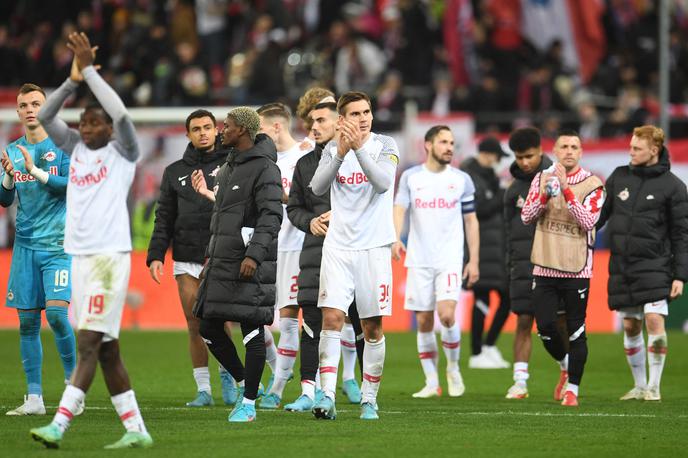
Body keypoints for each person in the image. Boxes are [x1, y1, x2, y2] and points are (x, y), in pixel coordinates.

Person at [30, 32, 152, 448]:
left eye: (93, 122)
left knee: (86, 343)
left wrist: (92, 73)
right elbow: (46, 117)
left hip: (107, 258)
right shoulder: (77, 148)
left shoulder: (123, 152)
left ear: (108, 128)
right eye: (83, 121)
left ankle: (59, 425)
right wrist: (72, 79)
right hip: (79, 257)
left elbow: (122, 116)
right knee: (107, 350)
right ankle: (137, 431)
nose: (86, 127)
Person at [310, 91, 400, 420]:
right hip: (338, 247)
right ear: (343, 119)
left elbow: (382, 183)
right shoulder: (333, 148)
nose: (363, 118)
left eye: (367, 112)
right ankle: (326, 396)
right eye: (355, 113)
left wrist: (358, 149)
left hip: (374, 248)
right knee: (332, 319)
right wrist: (340, 153)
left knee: (371, 326)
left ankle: (369, 398)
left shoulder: (385, 145)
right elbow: (317, 188)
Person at [191, 107, 282, 422]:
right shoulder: (228, 166)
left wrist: (254, 255)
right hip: (221, 260)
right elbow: (224, 219)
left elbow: (272, 216)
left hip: (248, 263)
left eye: (225, 126)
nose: (220, 131)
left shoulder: (266, 168)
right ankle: (246, 381)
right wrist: (211, 257)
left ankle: (248, 405)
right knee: (207, 326)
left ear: (242, 130)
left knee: (251, 329)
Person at [146, 109, 238, 407]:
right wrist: (156, 255)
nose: (202, 133)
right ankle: (203, 390)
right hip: (185, 256)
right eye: (196, 128)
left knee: (221, 321)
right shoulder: (174, 172)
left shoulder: (232, 162)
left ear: (217, 130)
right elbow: (164, 217)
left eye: (207, 127)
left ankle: (229, 378)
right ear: (187, 135)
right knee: (194, 322)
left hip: (221, 254)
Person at [597, 125, 688, 402]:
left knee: (653, 321)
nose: (631, 152)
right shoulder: (619, 177)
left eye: (637, 148)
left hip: (657, 265)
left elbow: (682, 233)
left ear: (654, 150)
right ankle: (638, 385)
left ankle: (654, 387)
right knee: (630, 327)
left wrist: (680, 276)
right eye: (631, 147)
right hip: (623, 266)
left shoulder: (674, 186)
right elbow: (600, 215)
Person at [1, 83, 76, 416]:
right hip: (25, 249)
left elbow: (71, 189)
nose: (30, 109)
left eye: (36, 103)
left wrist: (34, 171)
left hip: (58, 245)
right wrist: (8, 178)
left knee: (58, 316)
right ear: (17, 112)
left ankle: (73, 389)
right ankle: (34, 399)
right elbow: (4, 200)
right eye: (24, 105)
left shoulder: (63, 148)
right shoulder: (12, 150)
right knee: (28, 323)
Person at [284, 98, 364, 411]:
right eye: (311, 122)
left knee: (361, 322)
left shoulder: (360, 159)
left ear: (339, 122)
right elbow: (294, 208)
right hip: (315, 252)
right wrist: (310, 221)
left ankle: (366, 390)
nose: (314, 127)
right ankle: (308, 391)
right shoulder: (304, 165)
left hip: (355, 250)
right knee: (311, 323)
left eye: (321, 121)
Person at [393, 125, 479, 398]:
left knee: (447, 315)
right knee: (425, 322)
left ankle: (453, 368)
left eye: (452, 142)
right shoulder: (410, 177)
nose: (449, 147)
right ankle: (432, 381)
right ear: (428, 145)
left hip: (449, 259)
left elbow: (471, 221)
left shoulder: (462, 179)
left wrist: (473, 259)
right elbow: (399, 209)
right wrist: (396, 238)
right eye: (443, 142)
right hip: (419, 260)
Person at [521, 128, 605, 407]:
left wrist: (567, 191)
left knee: (576, 329)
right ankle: (566, 364)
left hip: (576, 269)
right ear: (555, 151)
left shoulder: (593, 184)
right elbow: (527, 217)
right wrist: (544, 197)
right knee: (545, 329)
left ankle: (573, 390)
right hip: (544, 266)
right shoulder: (541, 178)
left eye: (574, 147)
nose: (569, 151)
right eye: (564, 146)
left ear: (581, 152)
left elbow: (588, 222)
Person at [504, 127, 567, 399]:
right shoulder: (512, 191)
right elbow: (509, 233)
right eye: (519, 157)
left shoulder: (558, 179)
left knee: (557, 323)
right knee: (523, 321)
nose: (525, 162)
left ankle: (566, 370)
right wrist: (512, 265)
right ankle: (520, 382)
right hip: (523, 266)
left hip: (555, 264)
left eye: (529, 156)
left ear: (541, 151)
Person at [254, 102, 308, 409]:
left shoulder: (306, 153)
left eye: (261, 129)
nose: (258, 136)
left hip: (298, 248)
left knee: (290, 318)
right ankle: (279, 373)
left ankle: (276, 389)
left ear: (277, 126)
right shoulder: (263, 159)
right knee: (255, 318)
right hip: (268, 248)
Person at [460, 136, 511, 369]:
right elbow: (477, 210)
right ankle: (478, 352)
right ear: (489, 155)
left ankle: (487, 347)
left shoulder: (488, 178)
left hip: (495, 247)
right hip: (478, 247)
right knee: (483, 297)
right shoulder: (468, 176)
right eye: (498, 157)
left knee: (504, 299)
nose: (499, 162)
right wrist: (502, 194)